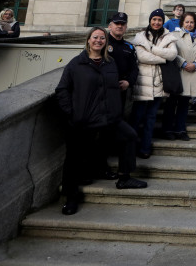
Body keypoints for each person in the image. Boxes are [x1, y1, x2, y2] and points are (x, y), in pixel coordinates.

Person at [55, 27, 146, 216]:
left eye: (102, 38)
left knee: (129, 136)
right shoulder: (76, 64)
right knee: (74, 158)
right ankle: (71, 197)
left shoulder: (109, 63)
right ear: (88, 40)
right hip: (83, 117)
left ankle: (124, 177)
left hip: (108, 116)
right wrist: (71, 112)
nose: (98, 41)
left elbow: (112, 85)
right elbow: (62, 90)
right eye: (95, 37)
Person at [130, 9, 178, 159]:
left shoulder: (169, 36)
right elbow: (141, 56)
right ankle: (130, 148)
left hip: (158, 83)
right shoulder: (140, 36)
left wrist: (152, 48)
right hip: (142, 83)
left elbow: (172, 54)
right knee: (136, 118)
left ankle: (145, 147)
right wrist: (162, 57)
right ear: (150, 21)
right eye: (154, 19)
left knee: (151, 118)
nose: (156, 22)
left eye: (159, 20)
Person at [166, 12, 196, 141]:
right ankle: (168, 129)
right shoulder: (174, 35)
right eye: (187, 22)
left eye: (192, 22)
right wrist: (183, 63)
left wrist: (195, 64)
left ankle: (180, 129)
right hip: (178, 73)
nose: (189, 24)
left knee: (184, 104)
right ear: (182, 22)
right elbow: (172, 52)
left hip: (191, 73)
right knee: (172, 103)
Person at [106, 12, 138, 112]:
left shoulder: (129, 46)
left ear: (126, 27)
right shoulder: (102, 43)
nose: (120, 26)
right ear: (110, 26)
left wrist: (128, 82)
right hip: (104, 89)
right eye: (117, 23)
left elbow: (134, 68)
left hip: (121, 89)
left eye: (123, 24)